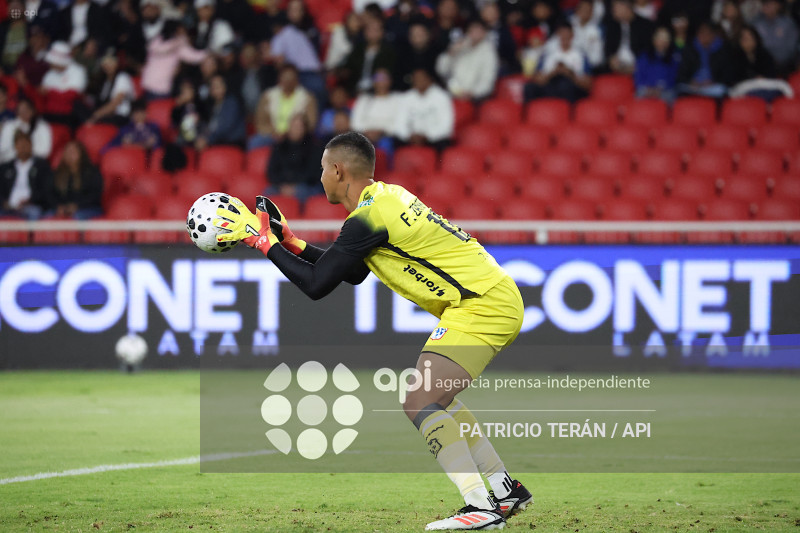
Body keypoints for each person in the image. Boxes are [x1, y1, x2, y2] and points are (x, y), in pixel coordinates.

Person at [211, 131, 533, 531]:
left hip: (481, 304)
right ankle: (504, 489)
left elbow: (316, 285)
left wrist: (263, 243)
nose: (320, 177)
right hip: (489, 298)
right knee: (438, 398)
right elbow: (354, 272)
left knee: (419, 400)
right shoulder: (384, 200)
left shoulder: (368, 217)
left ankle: (480, 506)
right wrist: (290, 242)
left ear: (337, 170)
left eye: (323, 168)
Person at [250, 64, 317, 149]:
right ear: (279, 79)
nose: (288, 81)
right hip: (272, 135)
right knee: (255, 142)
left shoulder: (307, 98)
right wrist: (274, 133)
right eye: (285, 78)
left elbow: (311, 123)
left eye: (291, 78)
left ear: (297, 80)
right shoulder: (267, 96)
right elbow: (260, 122)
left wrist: (292, 133)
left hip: (297, 136)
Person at [524, 23, 592, 103]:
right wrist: (554, 72)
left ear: (572, 36)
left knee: (565, 85)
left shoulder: (581, 55)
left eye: (567, 35)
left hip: (570, 87)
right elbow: (537, 78)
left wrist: (570, 73)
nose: (564, 37)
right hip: (550, 85)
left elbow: (587, 84)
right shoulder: (548, 54)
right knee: (529, 87)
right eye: (562, 34)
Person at [141, 20, 207, 100]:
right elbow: (195, 57)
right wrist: (179, 41)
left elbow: (194, 56)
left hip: (155, 86)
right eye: (181, 30)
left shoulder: (157, 41)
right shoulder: (174, 44)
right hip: (156, 87)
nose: (183, 33)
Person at [435, 18, 499, 101]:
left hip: (475, 98)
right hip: (452, 93)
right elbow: (441, 70)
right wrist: (450, 53)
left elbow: (487, 80)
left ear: (485, 33)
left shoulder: (489, 52)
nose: (475, 33)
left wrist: (473, 93)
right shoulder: (459, 45)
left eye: (478, 30)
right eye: (472, 29)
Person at [394, 68, 454, 150]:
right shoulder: (406, 97)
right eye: (416, 79)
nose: (419, 81)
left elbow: (446, 127)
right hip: (411, 138)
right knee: (395, 141)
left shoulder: (442, 97)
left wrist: (427, 136)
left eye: (422, 78)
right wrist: (409, 136)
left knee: (444, 143)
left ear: (429, 79)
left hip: (433, 138)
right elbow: (399, 123)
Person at [729, 25, 794, 100]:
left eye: (750, 38)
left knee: (784, 87)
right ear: (739, 41)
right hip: (746, 88)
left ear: (756, 39)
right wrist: (753, 78)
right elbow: (734, 78)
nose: (748, 42)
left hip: (766, 87)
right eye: (745, 39)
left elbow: (772, 73)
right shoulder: (735, 57)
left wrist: (763, 78)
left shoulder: (764, 54)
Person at [266, 115, 322, 199]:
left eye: (299, 127)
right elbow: (271, 172)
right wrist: (283, 186)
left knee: (303, 192)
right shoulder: (279, 146)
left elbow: (312, 174)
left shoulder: (313, 147)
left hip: (304, 185)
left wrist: (294, 186)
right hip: (281, 185)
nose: (296, 129)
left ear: (305, 129)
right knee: (267, 192)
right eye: (294, 126)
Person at [0, 130, 51, 219]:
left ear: (31, 145)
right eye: (20, 145)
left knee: (34, 213)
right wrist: (4, 202)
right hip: (8, 206)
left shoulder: (41, 166)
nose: (23, 148)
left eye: (25, 144)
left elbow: (45, 191)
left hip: (31, 206)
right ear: (15, 146)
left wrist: (30, 201)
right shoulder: (5, 167)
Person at [676, 21, 735, 98]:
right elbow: (682, 74)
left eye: (707, 33)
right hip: (693, 87)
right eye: (701, 33)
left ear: (713, 35)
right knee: (679, 89)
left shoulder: (723, 50)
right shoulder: (690, 49)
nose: (704, 36)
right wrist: (691, 82)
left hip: (713, 87)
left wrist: (713, 82)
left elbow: (728, 76)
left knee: (721, 90)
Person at [49, 139, 103, 219]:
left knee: (77, 216)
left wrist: (77, 206)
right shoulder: (57, 173)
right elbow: (50, 194)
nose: (70, 155)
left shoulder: (92, 172)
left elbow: (95, 195)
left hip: (88, 208)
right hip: (64, 209)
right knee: (47, 216)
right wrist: (58, 206)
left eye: (73, 152)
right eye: (67, 152)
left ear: (81, 154)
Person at [351, 68, 400, 153]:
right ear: (373, 82)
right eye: (378, 78)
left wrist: (381, 132)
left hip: (386, 136)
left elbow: (399, 123)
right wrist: (367, 132)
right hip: (365, 135)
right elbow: (355, 123)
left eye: (384, 78)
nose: (381, 81)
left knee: (385, 145)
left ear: (390, 81)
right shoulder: (364, 100)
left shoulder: (397, 99)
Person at [40, 40, 88, 127]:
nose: (50, 64)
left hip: (70, 116)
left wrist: (51, 92)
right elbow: (42, 94)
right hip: (50, 114)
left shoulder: (78, 71)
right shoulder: (49, 74)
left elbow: (72, 96)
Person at [195, 74, 245, 150]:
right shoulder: (211, 105)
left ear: (225, 87)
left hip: (231, 142)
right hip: (216, 141)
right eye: (213, 86)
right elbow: (209, 126)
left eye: (218, 86)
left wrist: (207, 140)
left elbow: (225, 128)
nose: (216, 89)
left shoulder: (231, 102)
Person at [604, 0, 655, 74]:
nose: (612, 10)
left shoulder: (646, 26)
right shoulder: (612, 25)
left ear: (626, 7)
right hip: (615, 68)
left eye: (615, 7)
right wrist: (611, 59)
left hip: (638, 68)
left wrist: (637, 66)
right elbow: (608, 49)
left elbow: (648, 51)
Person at [87, 52, 136, 126]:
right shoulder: (103, 79)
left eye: (111, 63)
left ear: (116, 64)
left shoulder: (122, 77)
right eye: (105, 64)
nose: (108, 66)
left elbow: (115, 103)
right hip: (103, 112)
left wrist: (95, 116)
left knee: (97, 120)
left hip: (119, 115)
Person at [634, 26, 680, 102]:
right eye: (660, 37)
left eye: (666, 38)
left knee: (672, 95)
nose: (663, 41)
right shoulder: (644, 56)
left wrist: (660, 88)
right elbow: (638, 76)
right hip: (645, 89)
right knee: (638, 95)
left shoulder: (674, 57)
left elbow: (673, 77)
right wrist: (648, 89)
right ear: (653, 39)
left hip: (665, 91)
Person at [752, 0, 799, 75]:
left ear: (778, 6)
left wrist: (778, 59)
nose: (767, 6)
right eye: (764, 4)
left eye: (770, 4)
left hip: (785, 66)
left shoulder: (788, 23)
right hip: (762, 66)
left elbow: (792, 48)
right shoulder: (756, 24)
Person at [0, 98, 52, 163]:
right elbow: (3, 149)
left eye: (26, 109)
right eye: (21, 110)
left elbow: (44, 151)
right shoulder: (9, 126)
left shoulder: (42, 126)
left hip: (34, 162)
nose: (24, 113)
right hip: (11, 162)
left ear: (33, 111)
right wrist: (18, 155)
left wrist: (26, 156)